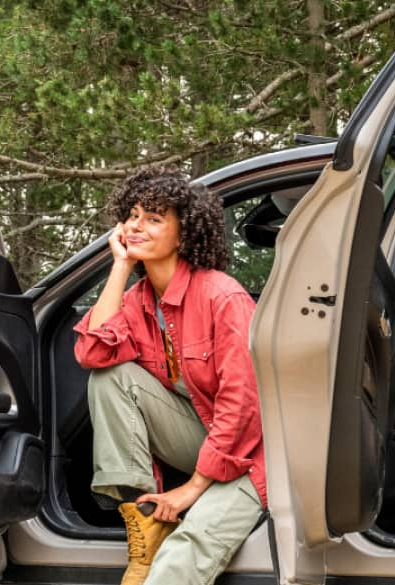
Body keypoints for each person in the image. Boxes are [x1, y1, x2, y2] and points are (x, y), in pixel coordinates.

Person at [73, 168, 265, 585]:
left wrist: (192, 489)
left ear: (184, 235)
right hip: (203, 437)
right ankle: (144, 522)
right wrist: (121, 266)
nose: (136, 225)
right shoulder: (139, 300)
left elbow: (243, 405)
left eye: (155, 218)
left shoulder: (222, 296)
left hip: (253, 455)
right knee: (110, 376)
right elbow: (93, 352)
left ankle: (170, 537)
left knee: (185, 553)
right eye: (133, 215)